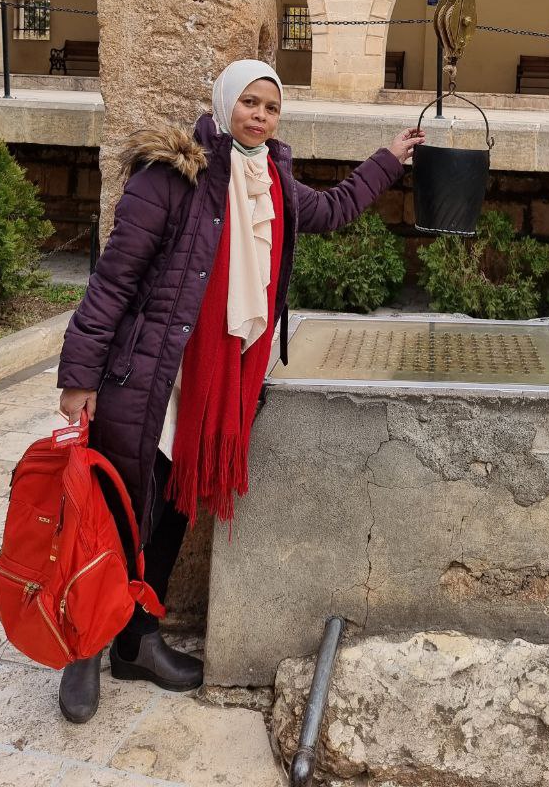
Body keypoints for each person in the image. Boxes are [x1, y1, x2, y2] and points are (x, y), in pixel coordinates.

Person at [55, 59, 423, 723]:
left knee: (170, 512)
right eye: (249, 102)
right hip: (151, 375)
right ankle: (83, 647)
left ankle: (137, 641)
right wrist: (78, 376)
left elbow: (334, 209)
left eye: (271, 107)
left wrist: (388, 160)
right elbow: (111, 284)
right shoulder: (172, 180)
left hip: (216, 381)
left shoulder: (274, 180)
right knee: (117, 514)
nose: (259, 115)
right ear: (224, 104)